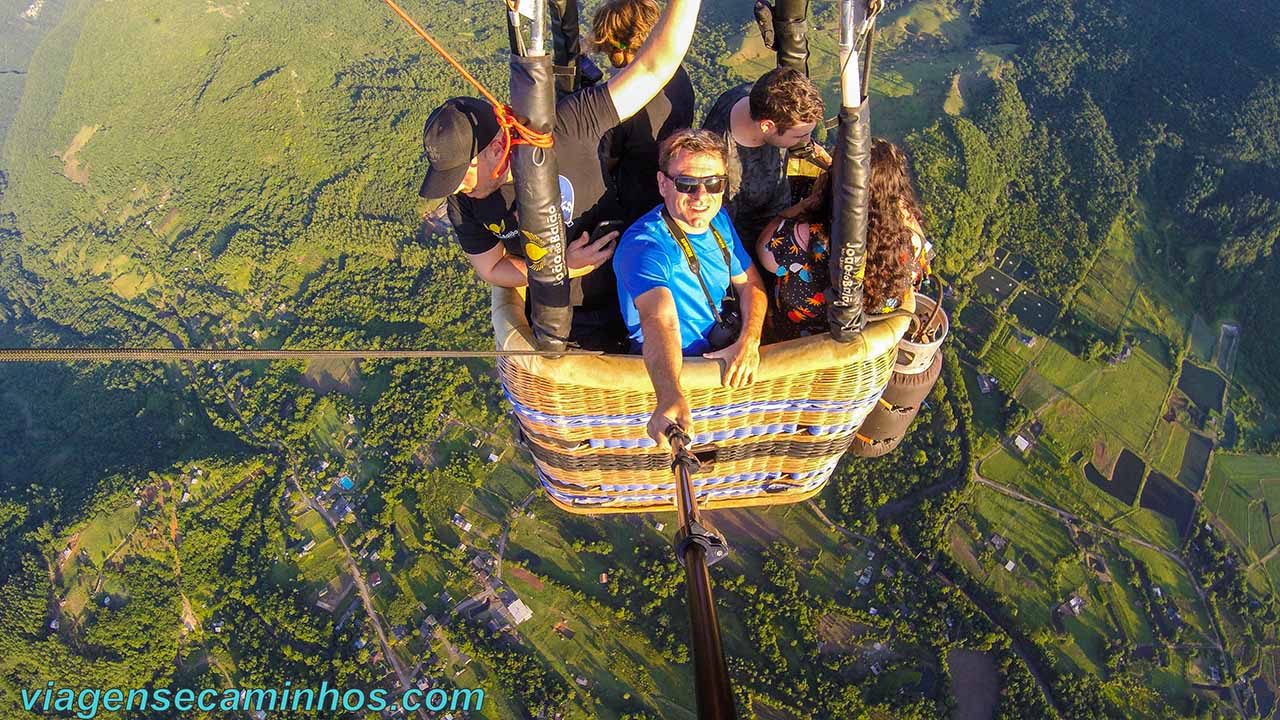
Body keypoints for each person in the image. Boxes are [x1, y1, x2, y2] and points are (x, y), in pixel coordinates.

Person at [417, 0, 700, 348]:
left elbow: (655, 68)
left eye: (463, 173)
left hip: (636, 294)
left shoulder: (567, 126)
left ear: (495, 147)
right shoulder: (465, 203)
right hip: (564, 322)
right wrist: (561, 266)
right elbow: (491, 268)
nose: (458, 187)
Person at [614, 129, 768, 446]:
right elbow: (660, 319)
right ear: (662, 184)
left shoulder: (719, 221)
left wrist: (749, 340)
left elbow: (750, 283)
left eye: (714, 184)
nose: (701, 196)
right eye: (686, 184)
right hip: (675, 370)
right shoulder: (645, 246)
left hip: (724, 355)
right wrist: (670, 392)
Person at [757, 138, 930, 341]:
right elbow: (922, 252)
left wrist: (808, 203)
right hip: (865, 339)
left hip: (798, 337)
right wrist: (892, 204)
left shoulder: (807, 237)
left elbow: (764, 252)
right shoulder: (910, 246)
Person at [701, 66, 831, 260]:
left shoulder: (757, 96)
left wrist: (833, 167)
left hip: (779, 212)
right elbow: (721, 239)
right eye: (799, 135)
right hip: (750, 252)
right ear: (767, 126)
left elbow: (803, 144)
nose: (806, 140)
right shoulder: (719, 167)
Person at [590, 0, 695, 225]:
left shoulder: (627, 100)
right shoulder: (678, 75)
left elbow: (605, 159)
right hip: (668, 192)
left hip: (635, 205)